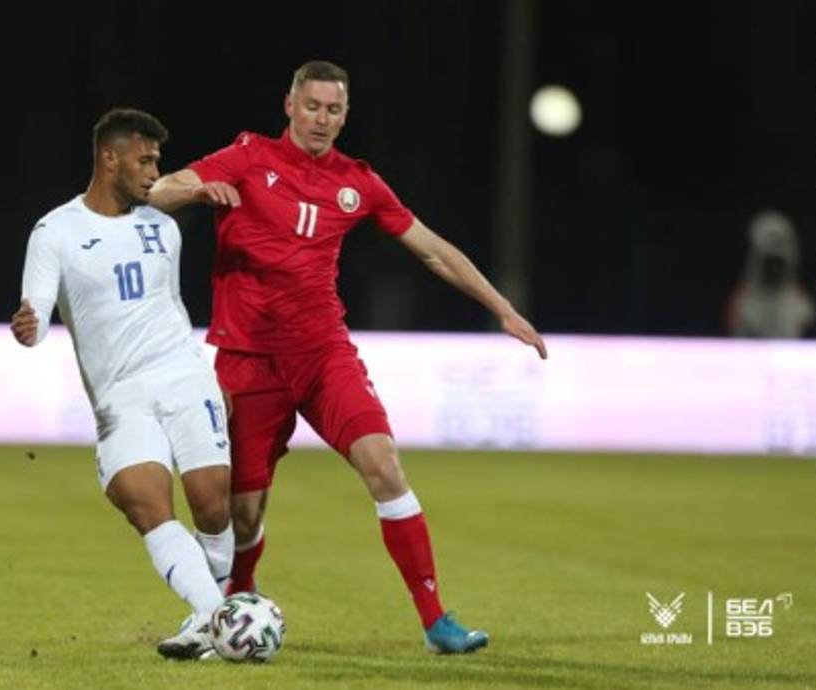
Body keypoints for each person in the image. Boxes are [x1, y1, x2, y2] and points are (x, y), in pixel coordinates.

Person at [148, 60, 548, 654]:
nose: (321, 119)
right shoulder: (247, 157)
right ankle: (231, 610)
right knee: (245, 515)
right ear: (289, 105)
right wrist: (195, 189)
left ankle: (436, 620)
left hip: (323, 354)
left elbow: (433, 250)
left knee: (384, 466)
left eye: (333, 110)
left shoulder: (358, 183)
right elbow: (157, 188)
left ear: (344, 115)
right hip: (247, 360)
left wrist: (502, 308)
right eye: (312, 106)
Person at [9, 108, 234, 660]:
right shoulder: (55, 231)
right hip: (120, 396)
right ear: (109, 158)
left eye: (157, 159)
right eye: (145, 159)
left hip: (183, 375)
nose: (155, 170)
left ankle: (210, 613)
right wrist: (28, 326)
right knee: (145, 504)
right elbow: (35, 312)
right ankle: (221, 619)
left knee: (211, 504)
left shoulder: (163, 227)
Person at [726, 209, 814, 338]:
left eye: (778, 263)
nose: (774, 269)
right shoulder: (741, 299)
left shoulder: (797, 296)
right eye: (770, 263)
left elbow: (807, 323)